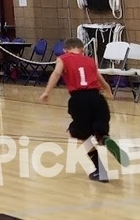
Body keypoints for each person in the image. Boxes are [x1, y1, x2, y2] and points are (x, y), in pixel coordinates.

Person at [39, 37, 118, 182]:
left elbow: (56, 74)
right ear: (82, 50)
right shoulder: (90, 60)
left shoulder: (63, 59)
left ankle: (100, 171)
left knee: (81, 134)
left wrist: (47, 92)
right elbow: (100, 79)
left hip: (79, 99)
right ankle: (104, 139)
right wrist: (109, 92)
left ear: (65, 50)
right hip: (98, 99)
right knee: (99, 130)